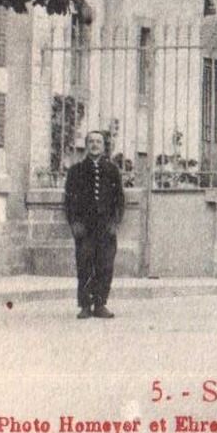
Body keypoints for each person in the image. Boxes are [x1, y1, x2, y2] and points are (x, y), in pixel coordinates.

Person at [63, 130, 124, 320]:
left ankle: (100, 304)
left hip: (106, 227)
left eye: (98, 141)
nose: (95, 144)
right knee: (84, 264)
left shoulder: (112, 170)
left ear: (104, 145)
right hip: (85, 228)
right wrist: (74, 223)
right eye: (91, 141)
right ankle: (85, 305)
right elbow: (69, 200)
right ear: (86, 145)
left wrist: (115, 222)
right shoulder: (76, 170)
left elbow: (120, 199)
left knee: (105, 265)